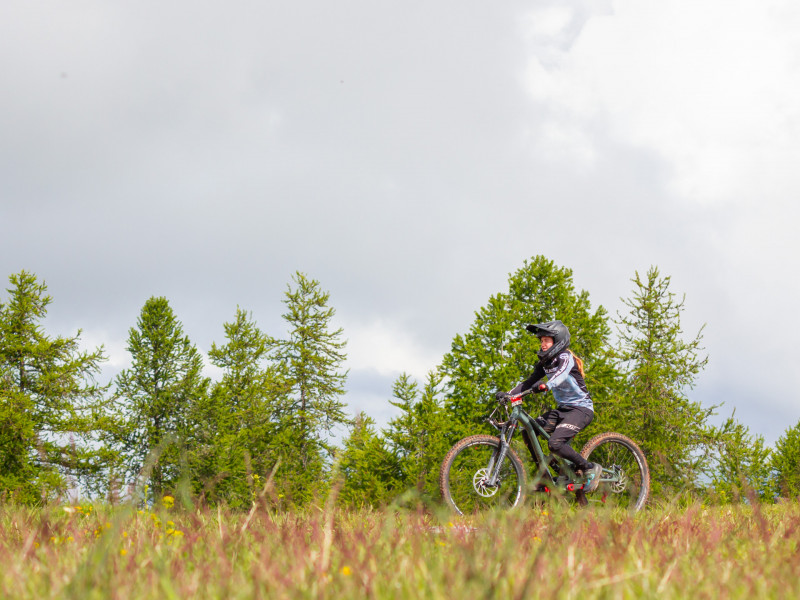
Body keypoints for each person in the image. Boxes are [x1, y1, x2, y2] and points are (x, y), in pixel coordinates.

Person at [497, 320, 602, 493]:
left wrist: (547, 385)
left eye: (546, 340)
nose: (543, 344)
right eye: (541, 341)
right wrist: (508, 395)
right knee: (528, 431)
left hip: (581, 409)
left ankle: (589, 467)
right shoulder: (545, 363)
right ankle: (544, 475)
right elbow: (528, 382)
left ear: (558, 341)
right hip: (562, 410)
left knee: (555, 443)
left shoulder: (565, 357)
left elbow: (561, 374)